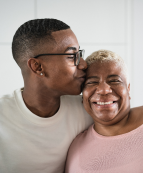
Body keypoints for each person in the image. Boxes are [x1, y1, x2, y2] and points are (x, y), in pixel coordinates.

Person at [0, 19, 93, 173]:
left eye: (79, 54)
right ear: (38, 67)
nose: (83, 64)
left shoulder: (86, 109)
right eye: (72, 56)